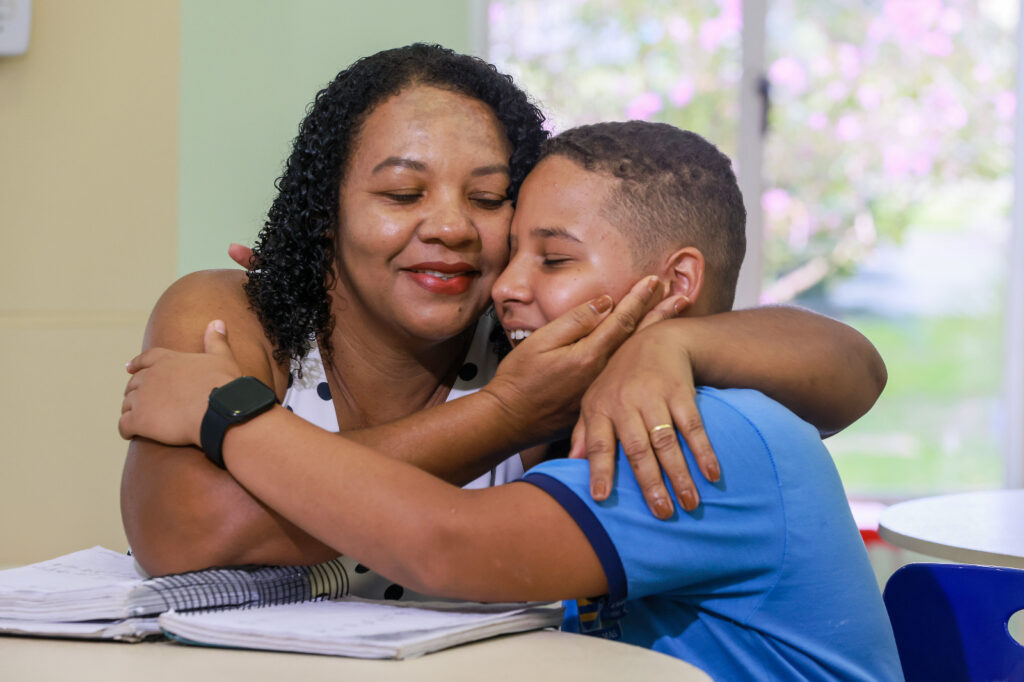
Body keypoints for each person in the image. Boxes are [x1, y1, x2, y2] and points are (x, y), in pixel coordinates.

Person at [119, 121, 902, 680]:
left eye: (553, 257)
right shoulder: (619, 393)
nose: (510, 284)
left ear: (674, 285)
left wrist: (228, 411)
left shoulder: (690, 431)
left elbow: (444, 544)